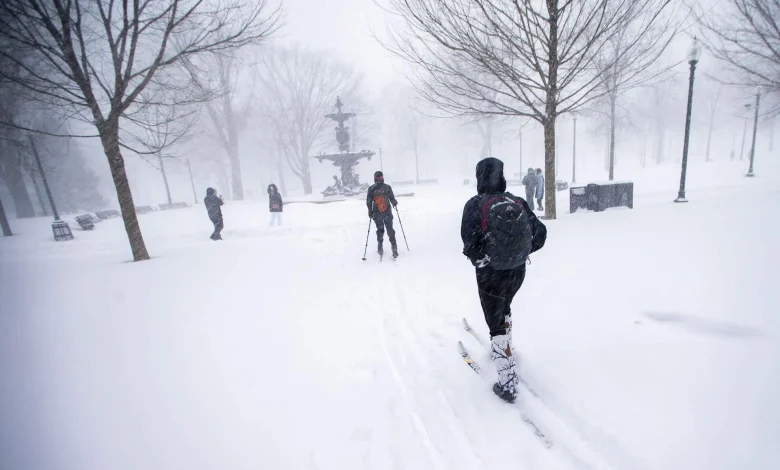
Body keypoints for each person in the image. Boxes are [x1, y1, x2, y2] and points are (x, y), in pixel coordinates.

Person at [461, 157, 547, 403]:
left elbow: (470, 244)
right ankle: (506, 348)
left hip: (490, 274)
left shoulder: (475, 205)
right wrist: (519, 254)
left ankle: (507, 383)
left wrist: (486, 259)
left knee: (495, 322)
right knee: (505, 307)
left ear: (479, 177)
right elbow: (540, 234)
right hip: (517, 272)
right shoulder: (516, 201)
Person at [366, 171, 399, 259]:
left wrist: (370, 211)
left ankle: (380, 247)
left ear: (374, 178)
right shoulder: (387, 187)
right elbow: (392, 198)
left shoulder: (371, 188)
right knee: (390, 230)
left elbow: (369, 201)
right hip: (387, 212)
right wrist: (394, 202)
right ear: (382, 178)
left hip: (377, 213)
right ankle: (394, 249)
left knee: (380, 230)